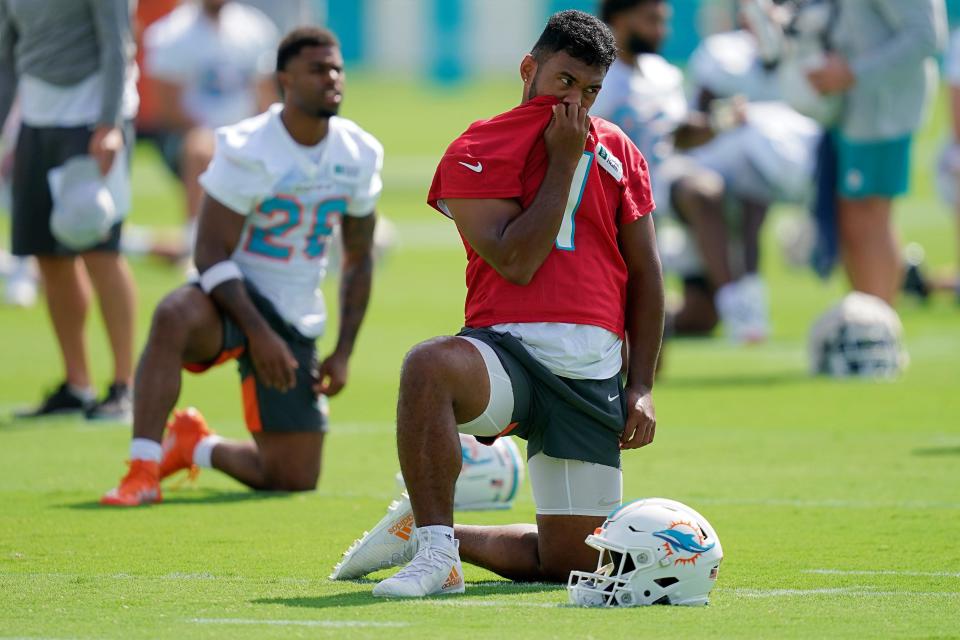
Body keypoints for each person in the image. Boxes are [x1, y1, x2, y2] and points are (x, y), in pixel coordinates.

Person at [331, 10, 662, 597]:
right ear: (529, 69)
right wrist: (562, 162)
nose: (576, 103)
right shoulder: (477, 146)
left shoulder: (620, 151)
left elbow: (646, 273)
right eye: (564, 81)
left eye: (590, 90)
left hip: (591, 374)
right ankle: (439, 557)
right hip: (508, 355)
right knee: (429, 365)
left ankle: (428, 531)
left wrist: (640, 385)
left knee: (571, 563)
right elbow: (516, 260)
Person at [101, 26, 381, 506]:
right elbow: (209, 252)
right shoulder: (249, 145)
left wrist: (344, 350)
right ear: (284, 81)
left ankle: (195, 446)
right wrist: (257, 332)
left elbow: (358, 257)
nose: (332, 78)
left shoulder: (358, 151)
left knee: (293, 476)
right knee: (172, 314)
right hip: (233, 299)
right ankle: (141, 469)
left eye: (336, 68)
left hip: (295, 312)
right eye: (317, 69)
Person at [590, 0, 771, 342]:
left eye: (663, 21)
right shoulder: (595, 76)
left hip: (658, 188)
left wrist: (722, 120)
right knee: (634, 335)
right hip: (611, 199)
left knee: (702, 317)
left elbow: (677, 135)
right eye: (650, 20)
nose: (661, 31)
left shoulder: (661, 73)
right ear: (618, 19)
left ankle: (730, 300)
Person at [0, 0, 139, 421]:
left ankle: (124, 386)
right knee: (48, 254)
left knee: (100, 252)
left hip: (92, 121)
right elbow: (7, 53)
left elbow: (117, 45)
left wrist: (110, 124)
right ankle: (77, 384)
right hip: (37, 120)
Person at [806, 0, 946, 305]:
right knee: (852, 220)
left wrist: (853, 72)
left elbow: (925, 36)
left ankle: (878, 331)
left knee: (869, 218)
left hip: (883, 112)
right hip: (850, 108)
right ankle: (866, 324)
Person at [143, 0, 278, 260]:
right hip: (189, 136)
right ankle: (196, 242)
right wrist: (220, 135)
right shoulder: (171, 32)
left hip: (246, 131)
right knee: (201, 148)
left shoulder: (256, 28)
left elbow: (266, 98)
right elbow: (168, 109)